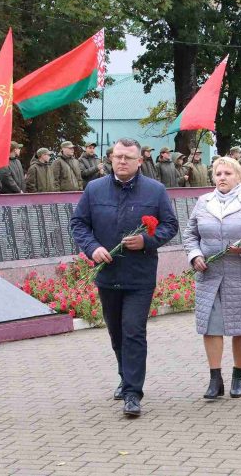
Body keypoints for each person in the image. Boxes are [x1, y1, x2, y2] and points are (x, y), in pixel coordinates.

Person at [70, 138, 179, 417]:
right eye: (117, 156)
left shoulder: (155, 191)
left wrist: (146, 240)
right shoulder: (95, 189)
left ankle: (133, 393)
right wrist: (93, 249)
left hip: (139, 276)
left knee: (133, 330)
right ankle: (124, 375)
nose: (121, 161)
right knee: (116, 331)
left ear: (139, 161)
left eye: (128, 158)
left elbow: (170, 225)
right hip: (107, 273)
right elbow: (79, 224)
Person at [182, 156, 241, 399]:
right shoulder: (203, 202)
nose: (222, 177)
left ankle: (238, 375)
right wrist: (195, 256)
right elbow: (191, 233)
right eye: (218, 174)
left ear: (239, 176)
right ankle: (215, 379)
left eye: (227, 173)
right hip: (210, 275)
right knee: (211, 327)